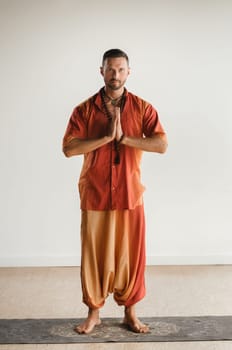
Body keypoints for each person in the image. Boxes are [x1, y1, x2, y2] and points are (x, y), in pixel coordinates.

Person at [62, 48, 168, 334]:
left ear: (129, 72)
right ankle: (93, 313)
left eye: (121, 70)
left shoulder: (143, 108)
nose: (115, 75)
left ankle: (130, 313)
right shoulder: (84, 110)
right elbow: (69, 148)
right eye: (110, 69)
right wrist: (106, 137)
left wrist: (126, 139)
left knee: (130, 256)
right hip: (95, 193)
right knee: (94, 255)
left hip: (130, 194)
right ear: (101, 71)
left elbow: (161, 144)